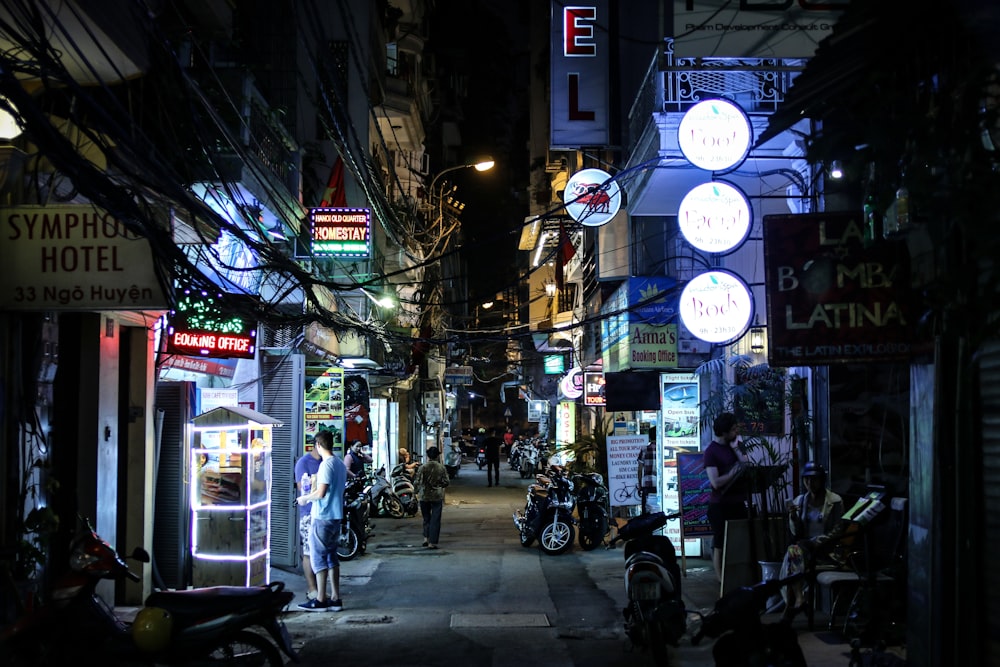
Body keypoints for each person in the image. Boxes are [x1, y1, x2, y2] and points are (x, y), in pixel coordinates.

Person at [779, 461, 845, 621]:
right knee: (794, 552)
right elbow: (797, 532)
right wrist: (793, 517)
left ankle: (791, 607)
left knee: (792, 556)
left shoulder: (835, 501)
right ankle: (799, 600)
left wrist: (817, 541)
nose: (810, 483)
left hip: (826, 550)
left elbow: (838, 530)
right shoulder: (800, 501)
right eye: (806, 479)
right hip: (805, 550)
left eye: (814, 479)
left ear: (822, 480)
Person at [296, 430, 347, 612]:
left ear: (318, 445)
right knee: (332, 557)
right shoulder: (340, 464)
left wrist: (305, 499)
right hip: (335, 516)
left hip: (323, 516)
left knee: (318, 558)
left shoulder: (326, 465)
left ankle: (320, 599)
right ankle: (335, 597)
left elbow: (321, 492)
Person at [704, 412, 749, 582]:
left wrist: (737, 449)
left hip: (738, 502)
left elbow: (745, 465)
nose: (737, 431)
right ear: (723, 432)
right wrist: (733, 471)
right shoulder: (711, 452)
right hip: (720, 505)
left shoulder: (735, 445)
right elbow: (715, 482)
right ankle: (722, 580)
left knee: (739, 542)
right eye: (733, 429)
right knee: (720, 543)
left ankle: (739, 577)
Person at [293, 444, 322, 602]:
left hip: (323, 513)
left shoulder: (326, 461)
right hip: (308, 513)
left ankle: (321, 590)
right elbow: (301, 487)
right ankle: (312, 588)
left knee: (321, 553)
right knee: (308, 552)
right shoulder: (303, 463)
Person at [414, 445, 449, 549]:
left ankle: (426, 537)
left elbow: (417, 482)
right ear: (437, 456)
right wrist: (439, 485)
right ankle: (432, 542)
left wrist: (415, 493)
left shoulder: (423, 467)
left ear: (428, 456)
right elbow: (446, 482)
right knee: (435, 519)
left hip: (424, 496)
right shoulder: (441, 468)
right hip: (437, 496)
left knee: (426, 518)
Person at [637, 426, 657, 513]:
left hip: (647, 484)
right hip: (659, 485)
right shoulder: (662, 449)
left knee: (646, 512)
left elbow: (640, 469)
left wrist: (639, 485)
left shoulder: (644, 449)